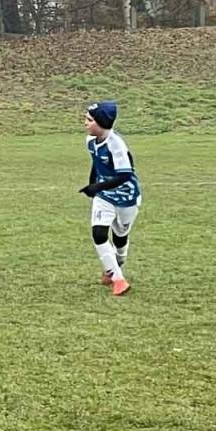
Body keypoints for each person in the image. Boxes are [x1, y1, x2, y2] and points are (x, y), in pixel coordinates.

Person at [80, 99, 140, 297]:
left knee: (120, 236)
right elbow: (96, 163)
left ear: (102, 123)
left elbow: (124, 175)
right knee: (98, 234)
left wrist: (96, 186)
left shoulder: (116, 145)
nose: (85, 123)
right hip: (104, 196)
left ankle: (116, 263)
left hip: (126, 196)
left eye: (89, 120)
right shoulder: (90, 141)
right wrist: (93, 186)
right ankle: (118, 279)